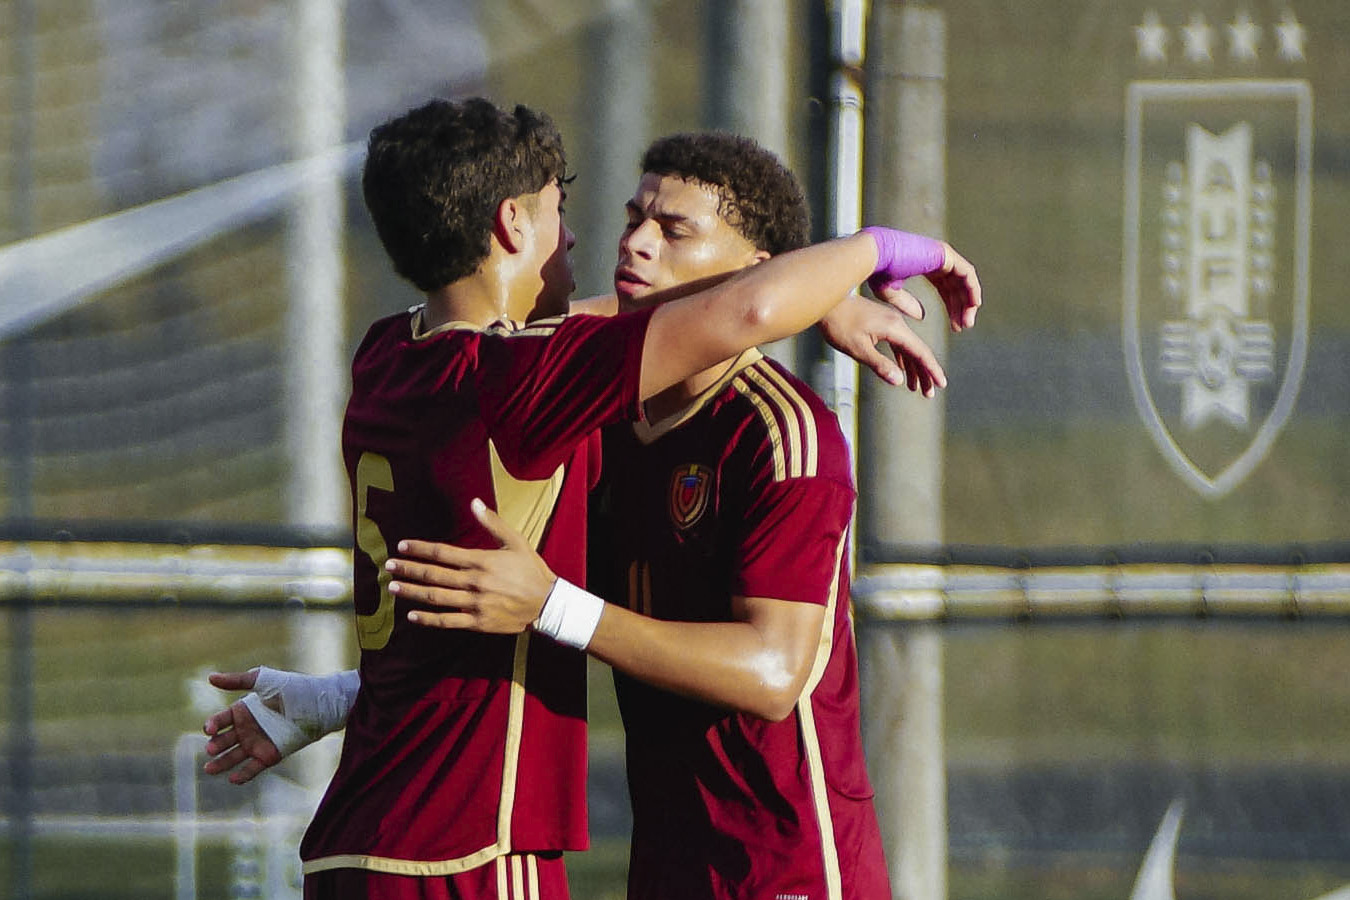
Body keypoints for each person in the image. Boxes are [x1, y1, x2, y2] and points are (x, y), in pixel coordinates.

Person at [205, 96, 979, 900]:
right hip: (477, 852)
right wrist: (870, 253)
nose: (622, 241)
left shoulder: (395, 353)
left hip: (775, 871)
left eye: (673, 230)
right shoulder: (567, 412)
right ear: (512, 224)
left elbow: (773, 672)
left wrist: (342, 696)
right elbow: (724, 313)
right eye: (595, 213)